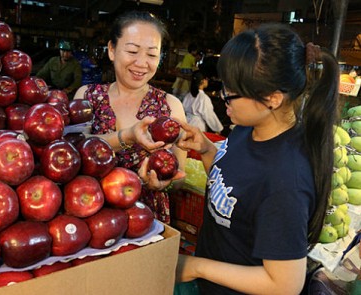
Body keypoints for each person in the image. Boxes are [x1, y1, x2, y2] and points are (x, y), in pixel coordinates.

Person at [174, 23, 339, 294]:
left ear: (272, 98)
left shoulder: (286, 180)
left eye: (231, 91)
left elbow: (285, 284)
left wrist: (197, 266)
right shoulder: (249, 129)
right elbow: (236, 188)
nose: (222, 95)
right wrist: (207, 150)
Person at [73, 10, 187, 224]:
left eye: (152, 55)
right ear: (112, 50)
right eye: (133, 51)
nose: (142, 63)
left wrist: (165, 183)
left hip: (146, 220)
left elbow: (180, 175)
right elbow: (75, 150)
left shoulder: (171, 106)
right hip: (90, 214)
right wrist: (128, 136)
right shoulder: (86, 97)